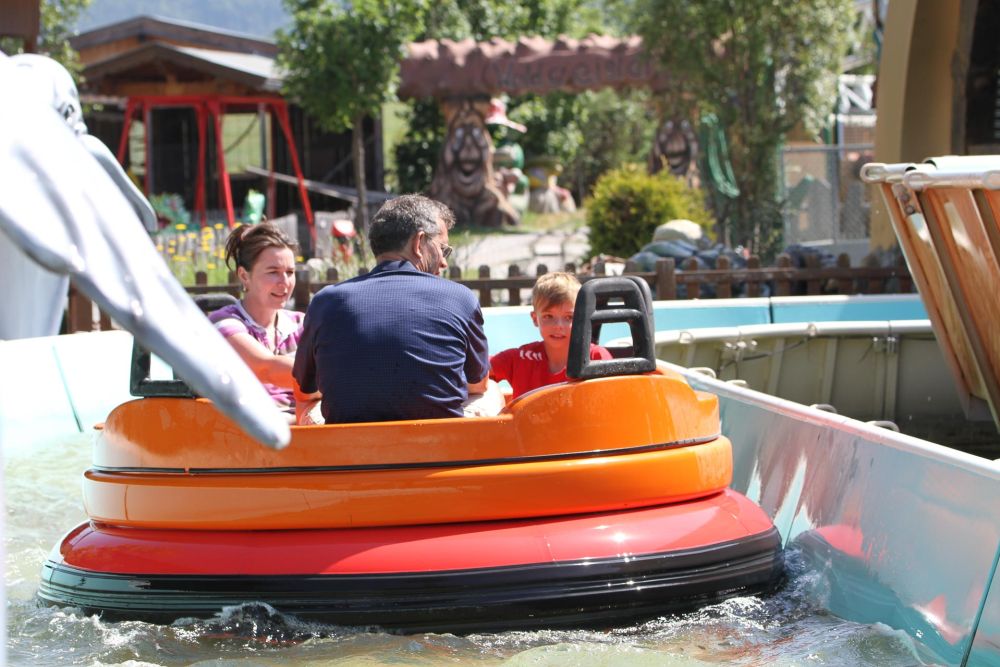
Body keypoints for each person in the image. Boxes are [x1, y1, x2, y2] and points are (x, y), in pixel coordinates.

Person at [293, 195, 490, 424]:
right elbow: (478, 383)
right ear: (419, 242)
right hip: (441, 442)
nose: (444, 262)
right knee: (491, 391)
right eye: (443, 249)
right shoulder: (459, 297)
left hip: (349, 444)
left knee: (310, 405)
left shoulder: (326, 302)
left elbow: (302, 391)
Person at [209, 222, 317, 413]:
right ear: (244, 276)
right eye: (273, 272)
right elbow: (266, 368)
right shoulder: (224, 323)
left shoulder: (301, 323)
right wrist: (332, 376)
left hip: (301, 422)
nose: (285, 282)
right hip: (244, 427)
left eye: (290, 272)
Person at [489, 272, 613, 399]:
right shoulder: (520, 358)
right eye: (548, 316)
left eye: (569, 317)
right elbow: (479, 371)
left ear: (581, 318)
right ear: (535, 319)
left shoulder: (596, 357)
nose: (558, 325)